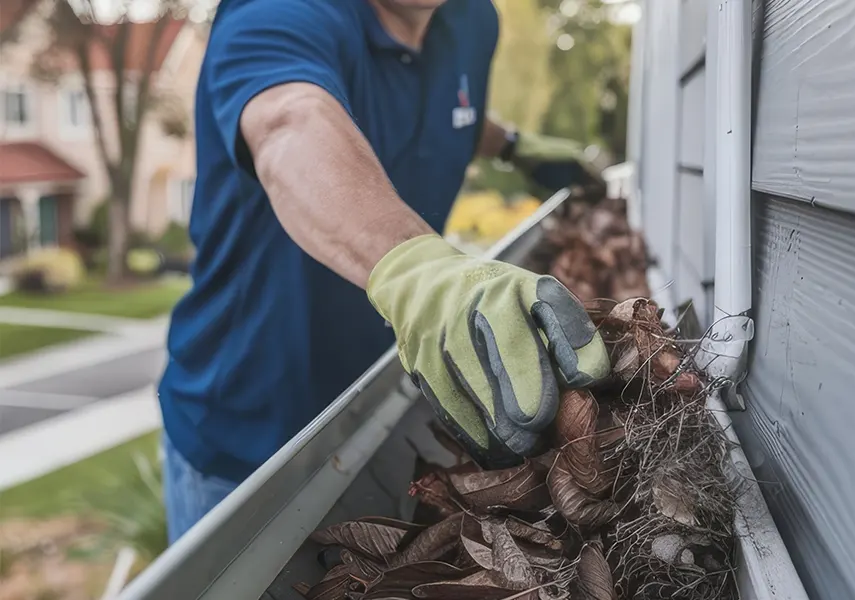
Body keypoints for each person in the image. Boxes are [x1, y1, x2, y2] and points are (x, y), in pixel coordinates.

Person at [159, 0, 611, 544]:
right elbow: (290, 121)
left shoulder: (472, 20)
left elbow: (442, 102)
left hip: (380, 413)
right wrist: (417, 270)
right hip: (247, 443)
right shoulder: (279, 13)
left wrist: (513, 146)